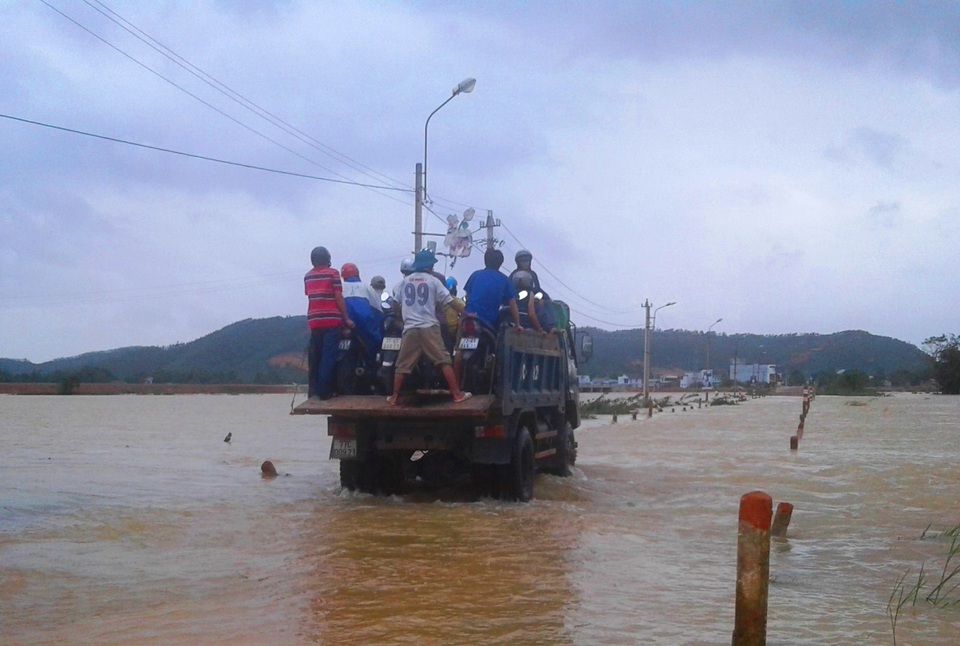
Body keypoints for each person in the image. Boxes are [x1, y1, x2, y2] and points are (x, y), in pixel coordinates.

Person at [387, 250, 471, 405]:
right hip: (429, 327)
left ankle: (394, 397)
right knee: (443, 360)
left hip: (410, 328)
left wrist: (403, 315)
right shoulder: (433, 281)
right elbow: (450, 301)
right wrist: (466, 313)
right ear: (428, 265)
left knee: (402, 365)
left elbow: (395, 303)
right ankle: (457, 395)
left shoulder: (404, 283)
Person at [304, 246, 353, 399]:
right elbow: (338, 297)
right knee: (328, 356)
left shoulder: (307, 276)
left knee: (315, 356)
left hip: (314, 321)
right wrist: (346, 319)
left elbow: (310, 296)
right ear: (328, 259)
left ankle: (313, 392)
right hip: (331, 320)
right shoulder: (333, 274)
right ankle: (325, 392)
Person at [463, 249, 521, 331]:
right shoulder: (505, 280)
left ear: (485, 260)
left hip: (468, 317)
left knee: (459, 337)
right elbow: (513, 304)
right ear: (500, 263)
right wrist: (517, 325)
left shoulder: (475, 275)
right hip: (489, 322)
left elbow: (468, 296)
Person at [340, 262, 384, 365]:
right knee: (376, 342)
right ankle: (373, 367)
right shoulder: (366, 287)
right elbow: (378, 310)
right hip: (364, 325)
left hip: (344, 325)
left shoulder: (340, 287)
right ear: (357, 274)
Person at [443, 276, 464, 342]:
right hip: (452, 329)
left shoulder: (439, 299)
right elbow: (465, 309)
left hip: (440, 328)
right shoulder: (456, 300)